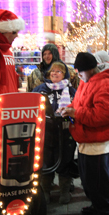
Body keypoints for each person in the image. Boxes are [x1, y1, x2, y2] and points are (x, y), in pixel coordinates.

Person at [60, 52, 109, 215]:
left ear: (90, 69)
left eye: (80, 72)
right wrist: (69, 108)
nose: (79, 75)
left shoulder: (105, 84)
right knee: (89, 182)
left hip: (97, 143)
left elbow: (105, 115)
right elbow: (79, 104)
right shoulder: (87, 81)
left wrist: (75, 113)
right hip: (87, 140)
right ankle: (98, 206)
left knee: (98, 183)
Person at [32, 61, 77, 204]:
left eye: (58, 71)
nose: (54, 73)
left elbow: (78, 109)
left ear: (65, 74)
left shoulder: (71, 91)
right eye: (52, 71)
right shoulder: (40, 89)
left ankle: (64, 191)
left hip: (65, 132)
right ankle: (45, 191)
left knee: (65, 160)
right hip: (46, 132)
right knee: (46, 161)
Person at [94, 50, 109, 182]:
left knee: (105, 159)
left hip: (103, 128)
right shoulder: (104, 76)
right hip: (104, 128)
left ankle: (106, 185)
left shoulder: (104, 79)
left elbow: (107, 112)